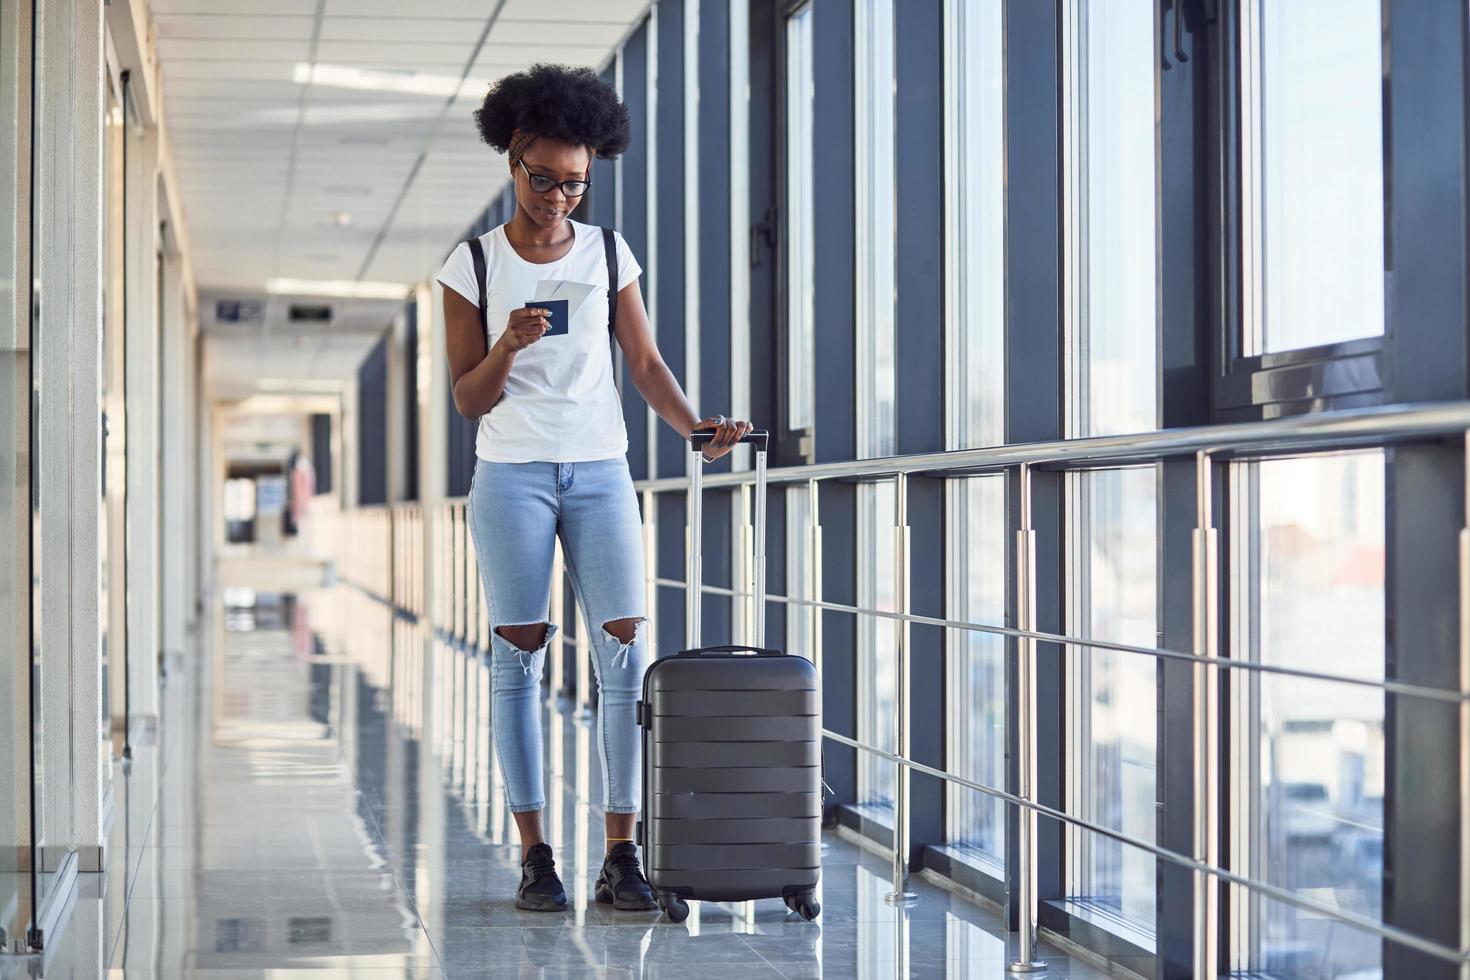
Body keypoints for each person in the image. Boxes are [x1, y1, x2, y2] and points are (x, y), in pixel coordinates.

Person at [437, 63, 752, 913]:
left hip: (601, 471)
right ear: (513, 160)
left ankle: (622, 853)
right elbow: (468, 398)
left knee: (625, 659)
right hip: (511, 477)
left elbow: (644, 364)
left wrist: (695, 430)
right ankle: (537, 854)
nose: (558, 199)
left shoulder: (611, 252)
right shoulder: (470, 265)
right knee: (519, 661)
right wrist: (506, 345)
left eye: (575, 183)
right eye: (544, 180)